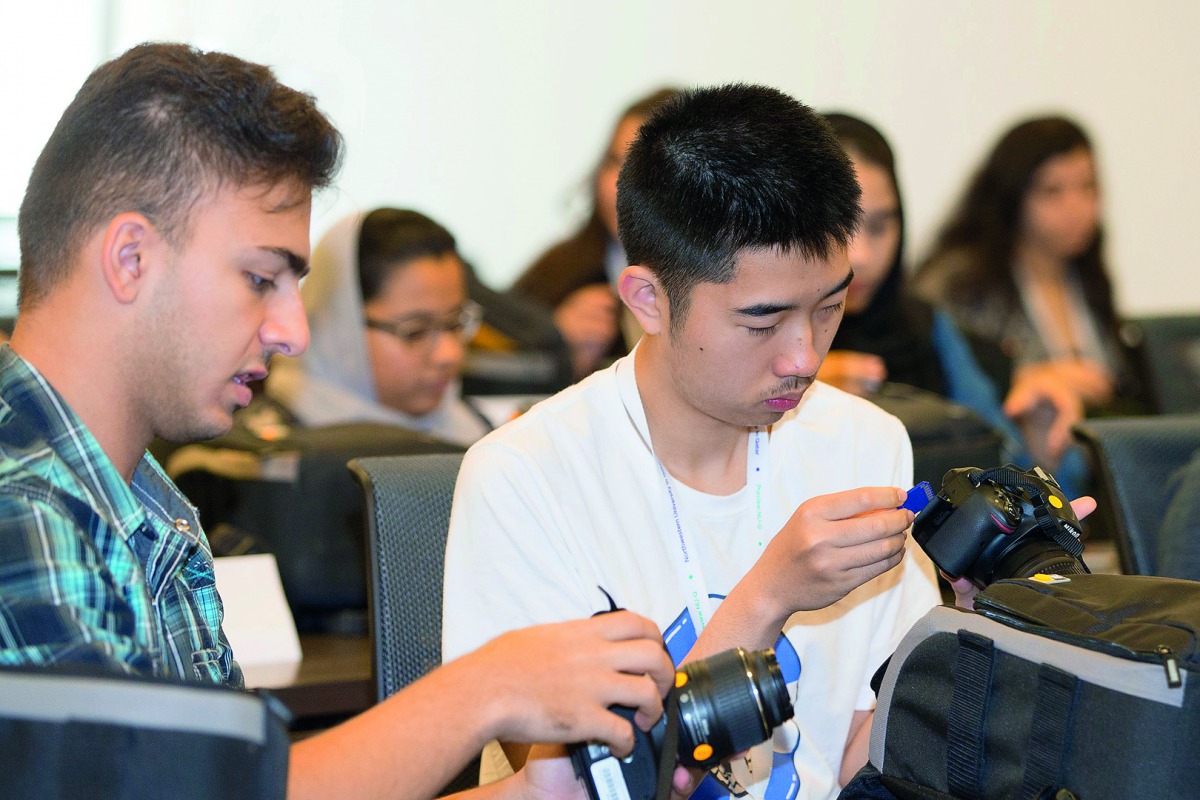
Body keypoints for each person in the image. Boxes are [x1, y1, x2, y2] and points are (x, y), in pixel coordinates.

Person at [0, 42, 676, 800]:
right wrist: (487, 688)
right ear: (129, 258)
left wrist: (538, 794)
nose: (293, 330)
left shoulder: (146, 504)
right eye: (261, 279)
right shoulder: (23, 508)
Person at [444, 84, 943, 800]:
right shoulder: (524, 479)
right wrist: (767, 598)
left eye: (830, 307)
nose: (803, 356)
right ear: (648, 299)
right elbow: (571, 786)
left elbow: (865, 753)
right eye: (761, 322)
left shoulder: (866, 442)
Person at [817, 113, 1085, 486]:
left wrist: (1040, 446)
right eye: (838, 226)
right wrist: (796, 396)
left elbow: (1007, 471)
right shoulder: (760, 337)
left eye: (879, 226)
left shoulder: (927, 327)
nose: (860, 255)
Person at [912, 116, 1146, 417]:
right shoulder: (960, 282)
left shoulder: (1088, 276)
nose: (1077, 207)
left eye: (1088, 187)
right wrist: (1032, 378)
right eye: (1052, 191)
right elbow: (945, 384)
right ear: (1012, 196)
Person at [264, 207, 491, 446]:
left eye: (455, 323)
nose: (449, 355)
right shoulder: (274, 461)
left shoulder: (475, 432)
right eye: (415, 331)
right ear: (342, 327)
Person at [510, 87, 681, 379]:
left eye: (645, 169)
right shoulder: (556, 272)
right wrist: (553, 342)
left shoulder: (728, 280)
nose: (621, 186)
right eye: (615, 162)